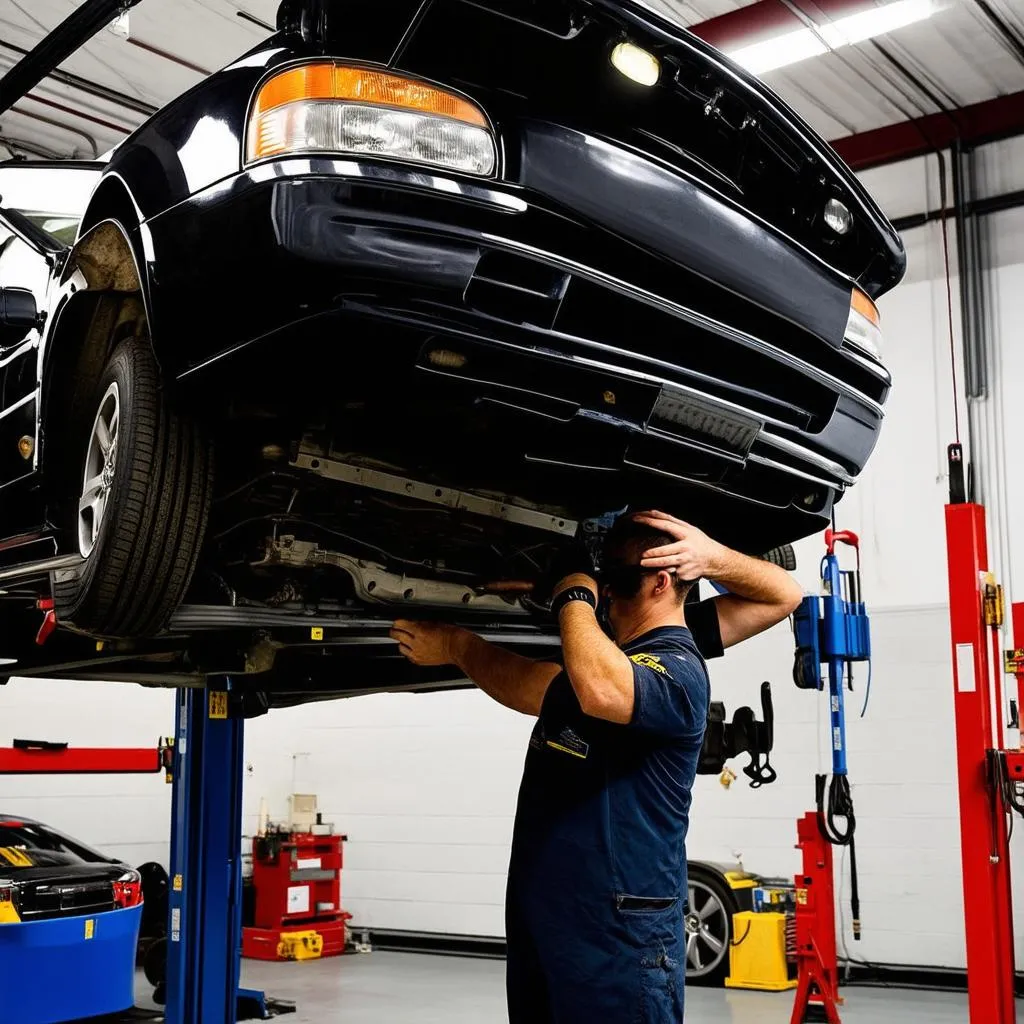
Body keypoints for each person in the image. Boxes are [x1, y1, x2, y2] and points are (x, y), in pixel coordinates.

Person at [389, 509, 803, 1022]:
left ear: (659, 581)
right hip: (550, 923)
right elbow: (542, 681)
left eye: (612, 584)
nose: (605, 596)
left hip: (620, 939)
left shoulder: (678, 666)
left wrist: (579, 590)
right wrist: (533, 597)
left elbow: (784, 594)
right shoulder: (617, 650)